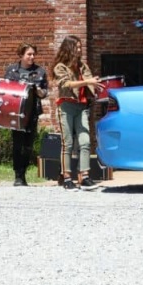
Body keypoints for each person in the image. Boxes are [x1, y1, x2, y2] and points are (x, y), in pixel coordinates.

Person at [50, 35, 104, 191]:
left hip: (81, 107)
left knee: (85, 141)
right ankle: (67, 178)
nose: (80, 50)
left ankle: (84, 176)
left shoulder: (82, 66)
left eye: (80, 47)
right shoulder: (60, 67)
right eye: (78, 47)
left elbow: (90, 83)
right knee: (67, 143)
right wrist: (87, 82)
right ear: (69, 48)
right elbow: (66, 84)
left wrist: (97, 87)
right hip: (66, 106)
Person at [4, 42, 49, 187]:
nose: (32, 57)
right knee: (17, 144)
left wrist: (39, 91)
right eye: (29, 54)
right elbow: (6, 90)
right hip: (16, 113)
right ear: (21, 55)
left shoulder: (40, 71)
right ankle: (18, 175)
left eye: (33, 54)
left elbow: (44, 93)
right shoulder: (12, 71)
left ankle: (23, 172)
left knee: (28, 145)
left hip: (32, 112)